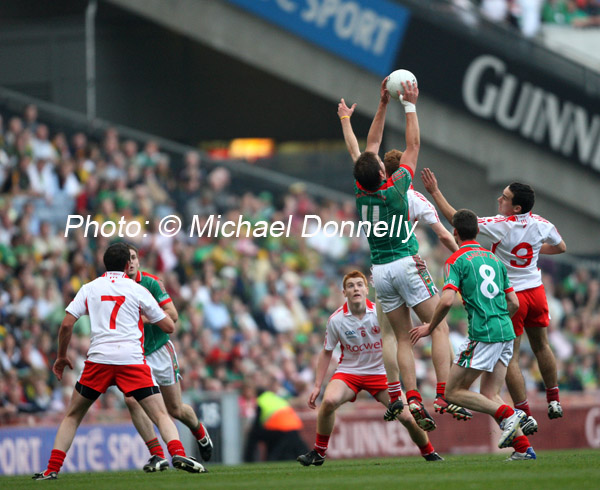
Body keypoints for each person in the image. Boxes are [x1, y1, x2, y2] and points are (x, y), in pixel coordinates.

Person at [342, 78, 467, 432]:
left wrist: (381, 105)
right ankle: (444, 393)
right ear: (384, 172)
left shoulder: (360, 190)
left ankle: (412, 397)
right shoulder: (398, 188)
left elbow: (369, 146)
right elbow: (413, 143)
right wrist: (408, 104)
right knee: (437, 328)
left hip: (379, 271)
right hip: (407, 264)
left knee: (400, 337)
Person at [33, 243, 206, 480]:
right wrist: (144, 316)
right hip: (131, 360)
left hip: (99, 360)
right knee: (161, 414)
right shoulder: (137, 289)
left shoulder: (90, 288)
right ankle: (177, 452)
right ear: (127, 264)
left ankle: (51, 469)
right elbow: (170, 325)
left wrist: (62, 356)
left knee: (73, 415)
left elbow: (66, 324)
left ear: (105, 264)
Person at [421, 169, 567, 433]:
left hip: (514, 294)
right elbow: (561, 247)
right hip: (536, 290)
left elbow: (457, 219)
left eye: (505, 197)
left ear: (516, 207)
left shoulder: (501, 224)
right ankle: (554, 400)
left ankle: (522, 412)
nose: (500, 199)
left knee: (510, 358)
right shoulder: (542, 224)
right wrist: (534, 251)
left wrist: (434, 192)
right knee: (543, 346)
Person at [410, 209, 536, 460]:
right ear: (478, 232)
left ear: (455, 233)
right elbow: (512, 301)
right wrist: (497, 314)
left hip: (484, 333)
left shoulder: (456, 260)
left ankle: (509, 414)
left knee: (452, 392)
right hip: (506, 332)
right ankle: (524, 449)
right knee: (490, 395)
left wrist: (429, 327)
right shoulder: (494, 259)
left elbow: (446, 301)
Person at [297, 270, 443, 466]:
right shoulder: (336, 320)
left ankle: (429, 453)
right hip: (349, 373)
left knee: (408, 418)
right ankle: (319, 452)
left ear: (367, 289)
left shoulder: (379, 314)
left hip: (381, 374)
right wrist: (316, 386)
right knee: (329, 400)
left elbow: (400, 339)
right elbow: (326, 352)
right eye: (351, 286)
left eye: (359, 285)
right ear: (344, 292)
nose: (355, 288)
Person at [123, 244, 213, 472]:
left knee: (175, 409)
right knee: (132, 400)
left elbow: (172, 315)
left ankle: (199, 430)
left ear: (138, 261)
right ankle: (156, 454)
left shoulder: (151, 283)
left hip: (160, 350)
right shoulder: (115, 287)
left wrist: (144, 318)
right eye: (126, 259)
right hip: (135, 355)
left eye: (133, 257)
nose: (130, 262)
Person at [244, 388, 308, 462]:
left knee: (253, 435)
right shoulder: (276, 398)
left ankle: (248, 459)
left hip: (278, 428)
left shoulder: (261, 401)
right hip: (294, 426)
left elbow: (256, 425)